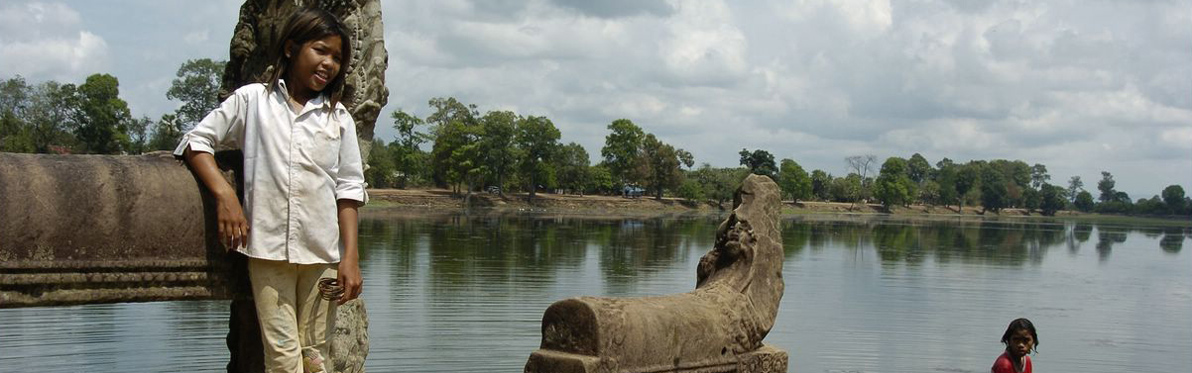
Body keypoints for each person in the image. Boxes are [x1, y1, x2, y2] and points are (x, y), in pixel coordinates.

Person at [174, 8, 366, 373]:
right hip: (268, 252)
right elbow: (196, 142)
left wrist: (350, 257)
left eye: (337, 58)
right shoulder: (253, 102)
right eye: (320, 51)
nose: (329, 64)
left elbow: (349, 190)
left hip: (321, 256)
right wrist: (226, 197)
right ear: (291, 48)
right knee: (282, 359)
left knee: (315, 357)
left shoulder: (338, 118)